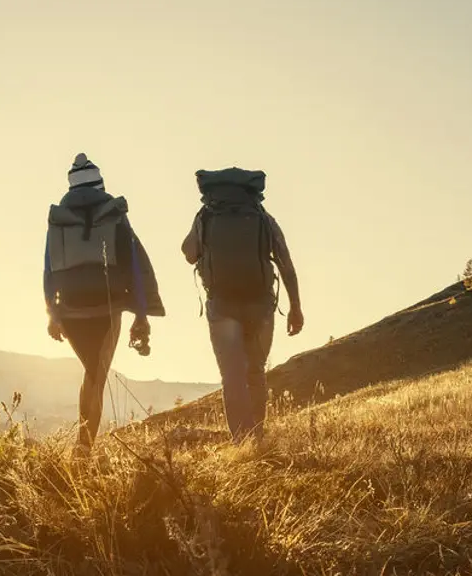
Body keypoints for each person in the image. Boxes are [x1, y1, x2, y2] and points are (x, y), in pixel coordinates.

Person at [43, 154, 164, 449]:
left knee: (92, 372)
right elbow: (134, 262)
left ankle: (83, 446)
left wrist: (52, 313)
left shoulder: (59, 219)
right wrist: (142, 312)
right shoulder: (114, 215)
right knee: (96, 375)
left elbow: (48, 267)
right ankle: (83, 450)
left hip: (70, 310)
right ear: (100, 184)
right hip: (106, 307)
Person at [181, 167, 303, 440]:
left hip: (222, 305)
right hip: (259, 304)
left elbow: (189, 253)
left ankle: (240, 440)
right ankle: (257, 436)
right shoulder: (261, 217)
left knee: (232, 374)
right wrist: (295, 307)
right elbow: (286, 262)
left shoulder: (206, 216)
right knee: (255, 370)